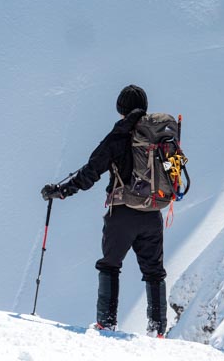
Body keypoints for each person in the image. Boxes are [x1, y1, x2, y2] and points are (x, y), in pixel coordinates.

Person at [40, 85, 168, 337]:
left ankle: (106, 323)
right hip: (153, 212)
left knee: (110, 265)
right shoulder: (161, 137)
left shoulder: (118, 136)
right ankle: (158, 329)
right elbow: (176, 170)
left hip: (121, 213)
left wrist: (62, 190)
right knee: (154, 272)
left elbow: (90, 173)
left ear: (121, 108)